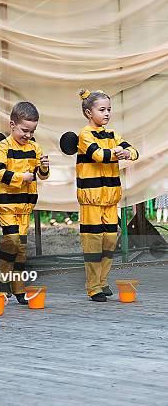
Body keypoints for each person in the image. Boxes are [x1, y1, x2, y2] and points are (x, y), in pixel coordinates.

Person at [75, 89, 138, 302]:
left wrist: (127, 152)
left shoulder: (113, 135)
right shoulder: (84, 135)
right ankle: (93, 287)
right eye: (102, 109)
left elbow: (133, 151)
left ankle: (102, 281)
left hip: (111, 199)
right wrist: (118, 152)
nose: (107, 113)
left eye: (109, 109)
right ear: (88, 113)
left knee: (110, 241)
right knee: (93, 242)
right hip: (91, 199)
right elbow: (98, 155)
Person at [0, 102, 50, 304]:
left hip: (24, 204)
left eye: (32, 131)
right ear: (12, 124)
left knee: (21, 247)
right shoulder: (3, 146)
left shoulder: (35, 147)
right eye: (24, 130)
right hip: (5, 202)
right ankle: (3, 278)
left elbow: (41, 176)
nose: (28, 135)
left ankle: (19, 289)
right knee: (12, 240)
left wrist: (44, 168)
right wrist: (21, 177)